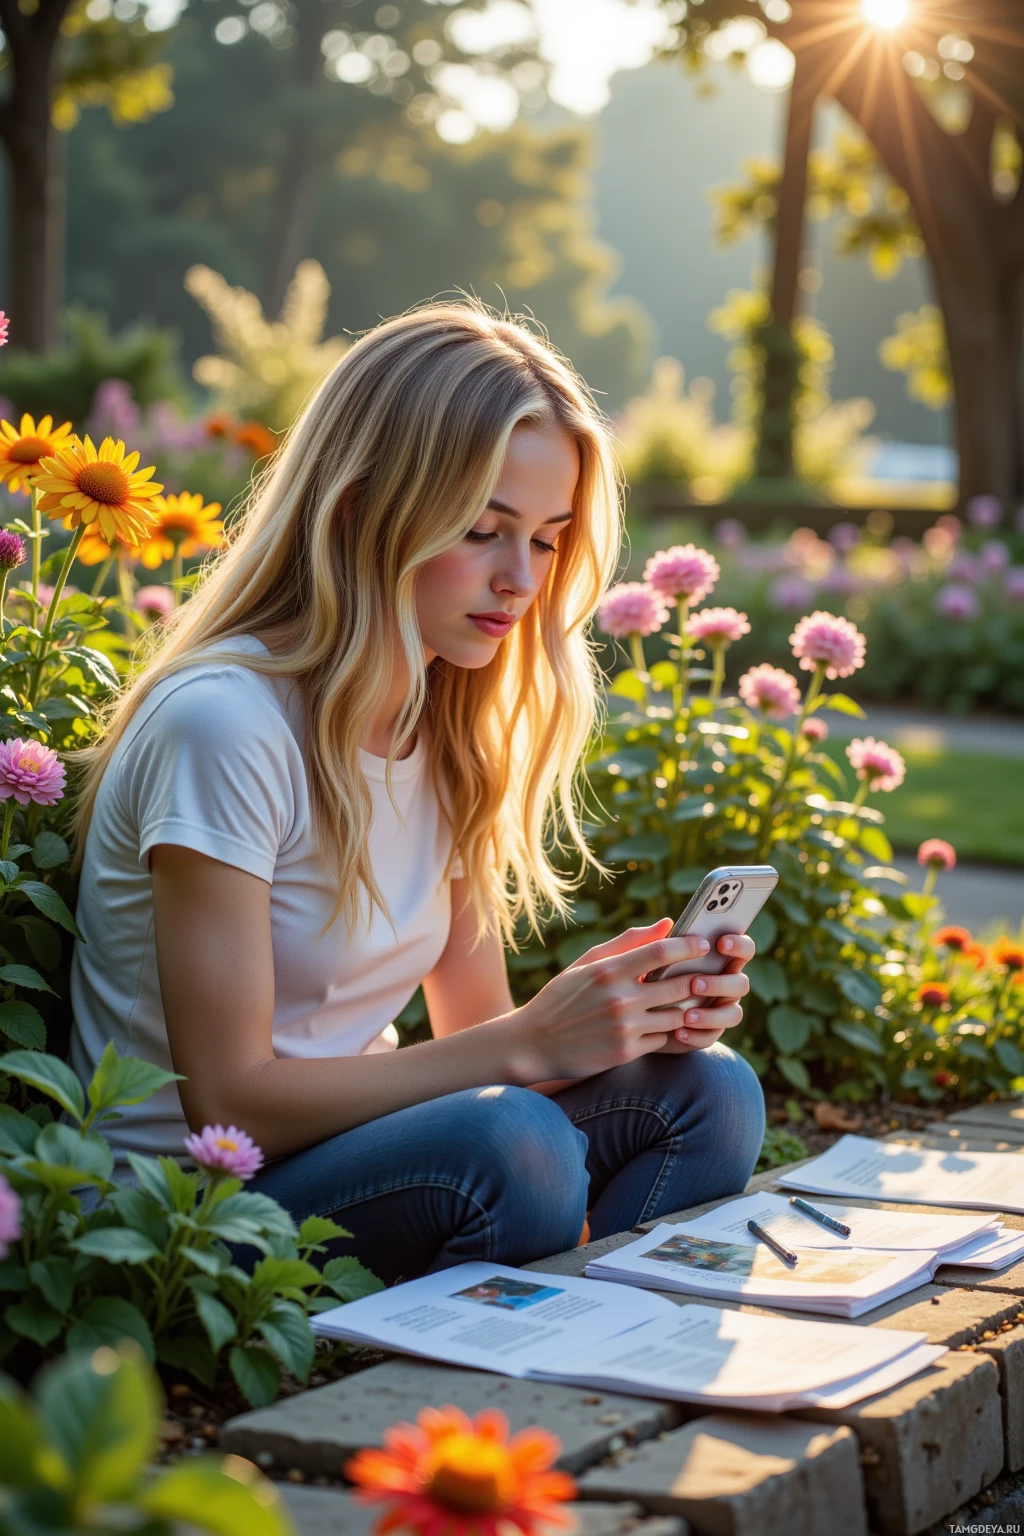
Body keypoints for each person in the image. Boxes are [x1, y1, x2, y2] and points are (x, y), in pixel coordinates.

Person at [67, 302, 765, 1285]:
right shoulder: (225, 724)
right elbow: (231, 1104)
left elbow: (474, 1028)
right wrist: (527, 1044)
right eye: (484, 531)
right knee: (512, 1146)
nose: (520, 581)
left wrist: (613, 1020)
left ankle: (602, 1343)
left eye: (549, 539)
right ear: (359, 510)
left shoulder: (449, 728)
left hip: (365, 1159)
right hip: (185, 1211)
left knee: (709, 1093)